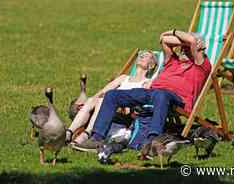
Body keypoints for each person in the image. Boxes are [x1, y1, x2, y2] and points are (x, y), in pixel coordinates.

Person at [74, 29, 212, 152]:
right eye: (182, 48)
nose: (182, 50)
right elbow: (164, 40)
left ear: (198, 49)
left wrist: (189, 40)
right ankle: (96, 138)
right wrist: (174, 33)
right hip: (151, 94)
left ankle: (152, 139)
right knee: (112, 95)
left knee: (160, 94)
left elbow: (192, 41)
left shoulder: (201, 66)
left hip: (177, 99)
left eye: (186, 48)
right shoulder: (172, 61)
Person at [65, 51, 158, 146]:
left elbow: (140, 101)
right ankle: (69, 132)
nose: (141, 56)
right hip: (111, 108)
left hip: (125, 114)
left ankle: (87, 134)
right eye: (141, 55)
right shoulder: (123, 78)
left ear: (151, 65)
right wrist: (89, 101)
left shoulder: (146, 83)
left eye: (146, 56)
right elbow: (103, 91)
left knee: (102, 100)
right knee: (93, 99)